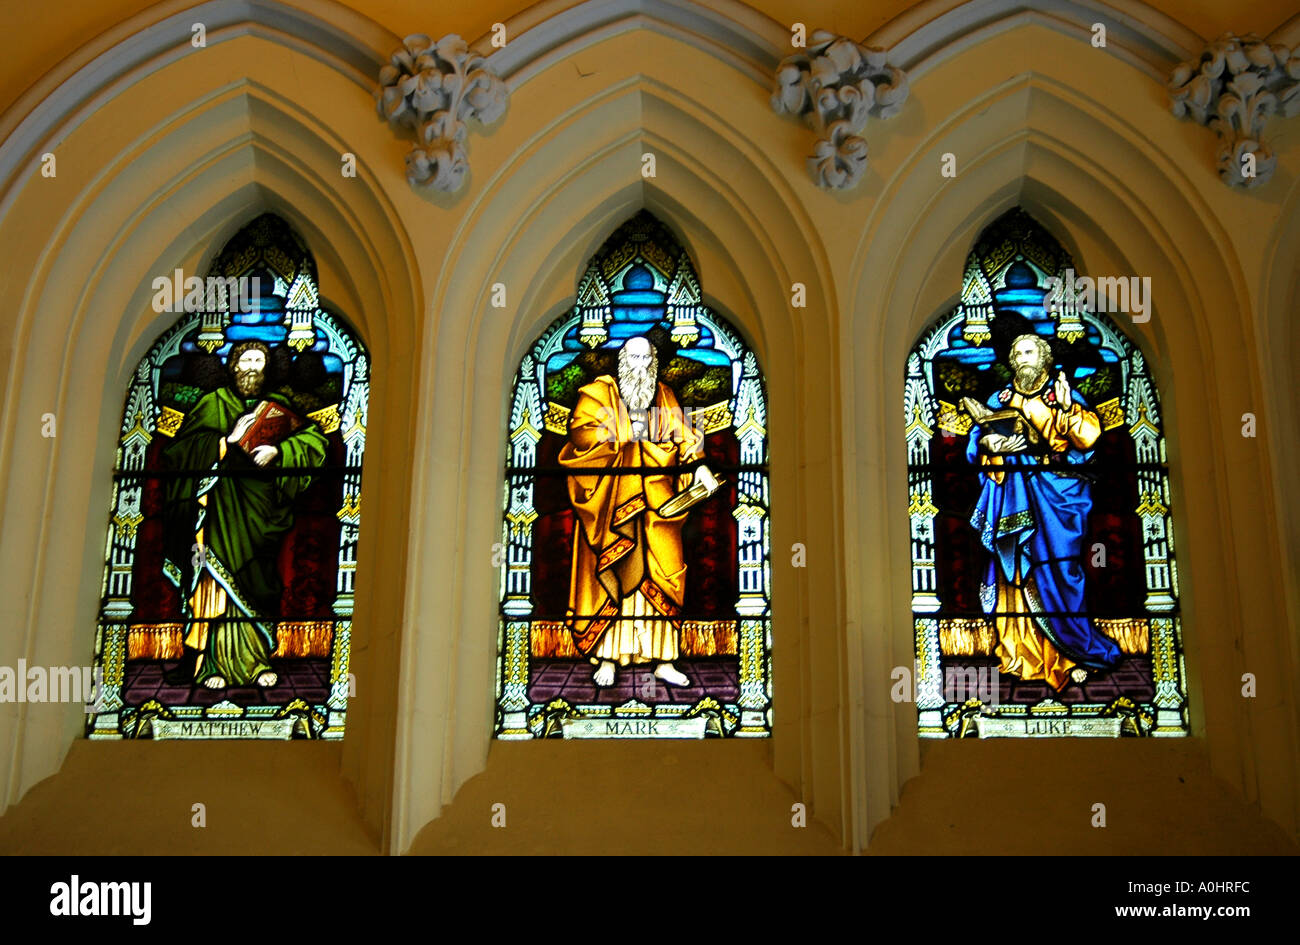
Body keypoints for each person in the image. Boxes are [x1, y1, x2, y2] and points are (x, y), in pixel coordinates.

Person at [161, 341, 328, 689]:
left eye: (259, 361)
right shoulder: (213, 404)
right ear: (234, 366)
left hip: (261, 515)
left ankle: (255, 663)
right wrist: (226, 440)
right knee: (212, 585)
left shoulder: (280, 408)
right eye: (246, 360)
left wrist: (279, 451)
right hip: (217, 513)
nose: (252, 367)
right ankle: (207, 665)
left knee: (257, 583)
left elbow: (316, 442)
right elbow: (179, 452)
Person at [967, 333, 1121, 691]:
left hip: (1059, 496)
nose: (1021, 358)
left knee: (1061, 571)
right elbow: (978, 445)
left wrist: (1068, 411)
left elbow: (1087, 442)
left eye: (1028, 352)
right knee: (1014, 574)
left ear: (1044, 359)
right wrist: (994, 444)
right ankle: (1018, 654)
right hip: (1013, 497)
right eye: (1016, 353)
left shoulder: (1063, 395)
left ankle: (1071, 655)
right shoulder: (999, 399)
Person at [558, 336, 711, 688]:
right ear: (622, 360)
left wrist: (698, 464)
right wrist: (626, 441)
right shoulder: (596, 395)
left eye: (647, 358)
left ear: (653, 361)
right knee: (614, 571)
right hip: (612, 505)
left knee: (665, 574)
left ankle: (664, 659)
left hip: (658, 507)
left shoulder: (663, 396)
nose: (640, 365)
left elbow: (685, 435)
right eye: (634, 357)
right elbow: (581, 434)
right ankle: (609, 657)